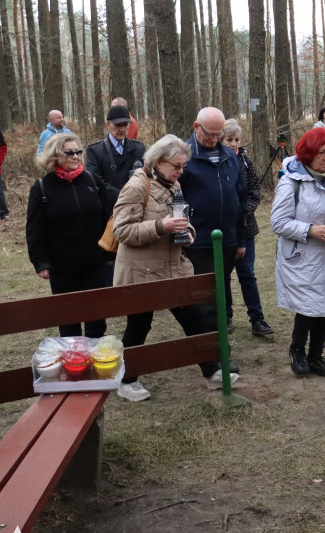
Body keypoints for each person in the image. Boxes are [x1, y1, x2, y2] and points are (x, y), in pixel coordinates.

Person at [111, 135, 203, 401]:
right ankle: (126, 381)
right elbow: (122, 231)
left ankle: (213, 369)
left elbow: (180, 217)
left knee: (193, 320)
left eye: (183, 166)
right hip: (142, 273)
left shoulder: (173, 184)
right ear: (159, 162)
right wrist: (160, 227)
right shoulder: (137, 186)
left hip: (173, 266)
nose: (181, 171)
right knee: (139, 325)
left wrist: (188, 232)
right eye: (176, 166)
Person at [271, 128, 325, 377]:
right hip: (303, 257)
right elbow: (278, 222)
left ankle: (316, 355)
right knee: (308, 306)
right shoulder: (291, 181)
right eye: (321, 153)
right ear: (308, 154)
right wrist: (310, 230)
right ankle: (297, 351)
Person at [179, 107, 246, 379]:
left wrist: (240, 239)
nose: (215, 139)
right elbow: (174, 199)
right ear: (196, 126)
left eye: (220, 134)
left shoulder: (230, 156)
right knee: (205, 301)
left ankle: (217, 349)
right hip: (199, 241)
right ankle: (216, 358)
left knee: (220, 296)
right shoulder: (183, 156)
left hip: (228, 239)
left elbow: (239, 201)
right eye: (210, 134)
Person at [25, 132, 110, 339]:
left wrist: (109, 253)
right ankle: (74, 365)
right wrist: (41, 262)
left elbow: (107, 217)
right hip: (62, 267)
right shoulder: (42, 188)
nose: (75, 156)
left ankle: (95, 363)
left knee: (96, 319)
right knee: (68, 321)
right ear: (55, 157)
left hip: (95, 263)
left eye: (78, 152)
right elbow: (34, 229)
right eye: (69, 153)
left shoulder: (90, 179)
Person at [221, 119, 273, 336]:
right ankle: (226, 317)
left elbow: (254, 192)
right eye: (229, 139)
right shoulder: (218, 162)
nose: (233, 144)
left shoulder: (245, 162)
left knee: (247, 273)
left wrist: (244, 210)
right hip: (223, 229)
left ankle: (257, 318)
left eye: (236, 140)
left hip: (246, 227)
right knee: (223, 275)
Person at [86, 105, 147, 204]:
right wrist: (121, 195)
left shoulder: (139, 148)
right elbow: (95, 179)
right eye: (118, 125)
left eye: (125, 125)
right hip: (108, 208)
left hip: (135, 204)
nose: (122, 129)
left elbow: (146, 176)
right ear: (107, 125)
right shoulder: (95, 150)